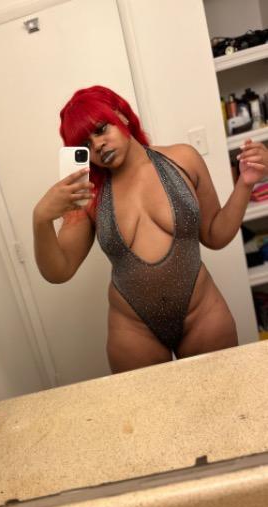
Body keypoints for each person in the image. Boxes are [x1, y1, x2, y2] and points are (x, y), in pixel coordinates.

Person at [33, 86, 268, 373]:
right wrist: (41, 219)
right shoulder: (88, 196)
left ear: (122, 115)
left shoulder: (183, 159)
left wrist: (246, 183)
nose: (98, 146)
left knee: (223, 396)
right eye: (86, 144)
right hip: (133, 330)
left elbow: (215, 235)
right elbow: (59, 271)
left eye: (102, 129)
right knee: (148, 404)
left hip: (202, 313)